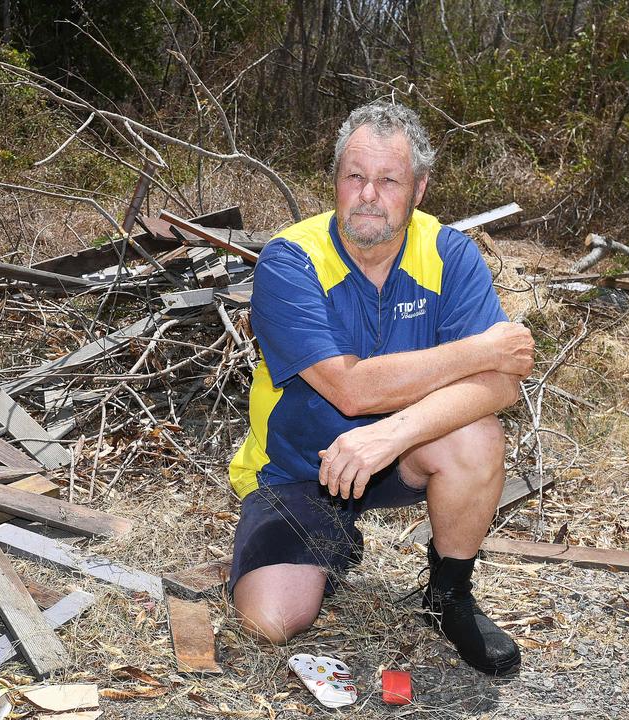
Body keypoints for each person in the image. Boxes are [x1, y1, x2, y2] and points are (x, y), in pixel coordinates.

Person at [226, 101, 534, 676]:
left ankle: (448, 596)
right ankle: (332, 541)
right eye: (354, 176)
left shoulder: (449, 254)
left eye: (388, 179)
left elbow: (500, 387)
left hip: (402, 456)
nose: (368, 194)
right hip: (300, 468)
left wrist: (391, 436)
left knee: (477, 437)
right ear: (336, 180)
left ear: (418, 189)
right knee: (269, 620)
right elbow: (349, 391)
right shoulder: (290, 259)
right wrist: (478, 350)